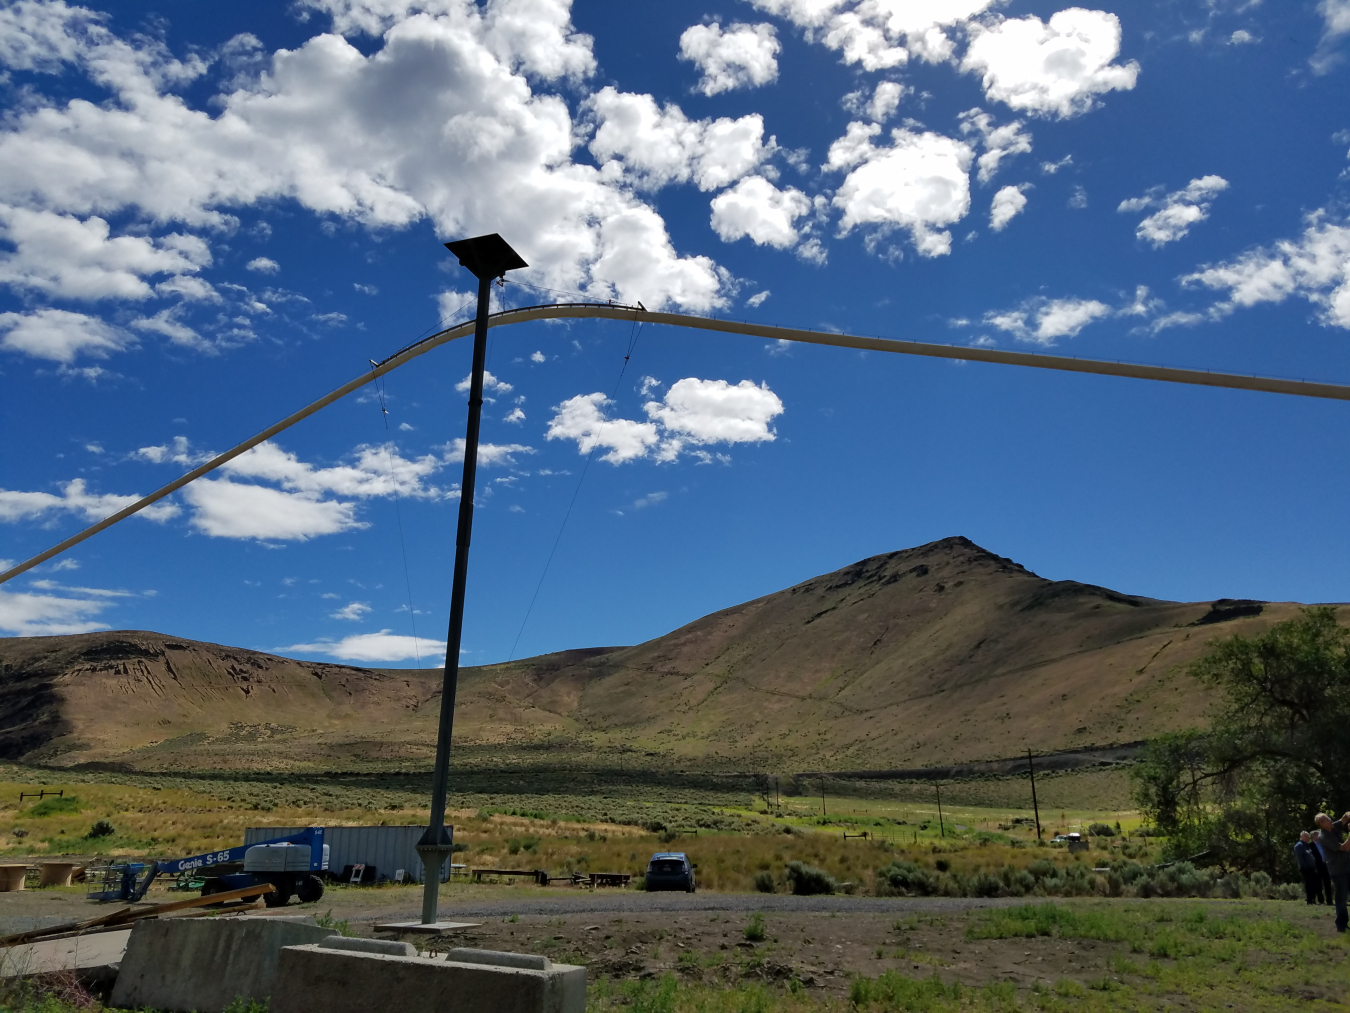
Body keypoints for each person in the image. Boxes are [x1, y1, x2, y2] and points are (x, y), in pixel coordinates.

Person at [1314, 813, 1350, 932]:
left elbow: (1343, 818)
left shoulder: (1333, 827)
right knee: (1341, 898)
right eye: (1325, 820)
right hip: (1338, 870)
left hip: (1347, 866)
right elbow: (1344, 848)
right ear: (1321, 824)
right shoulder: (1323, 837)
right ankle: (1341, 924)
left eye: (1328, 818)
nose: (1329, 820)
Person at [1296, 831, 1325, 904]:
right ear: (1301, 837)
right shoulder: (1299, 846)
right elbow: (1300, 858)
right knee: (1309, 884)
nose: (1307, 838)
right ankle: (1309, 900)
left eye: (1308, 836)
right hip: (1306, 868)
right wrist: (1305, 867)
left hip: (1312, 867)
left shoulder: (1307, 845)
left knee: (1314, 884)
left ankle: (1313, 899)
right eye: (1305, 836)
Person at [1312, 829, 1335, 905]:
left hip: (1326, 865)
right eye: (1318, 835)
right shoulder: (1310, 845)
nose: (1320, 836)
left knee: (1327, 883)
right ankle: (1320, 900)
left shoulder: (1323, 844)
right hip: (1317, 866)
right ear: (1314, 836)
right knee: (1318, 884)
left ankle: (1329, 900)